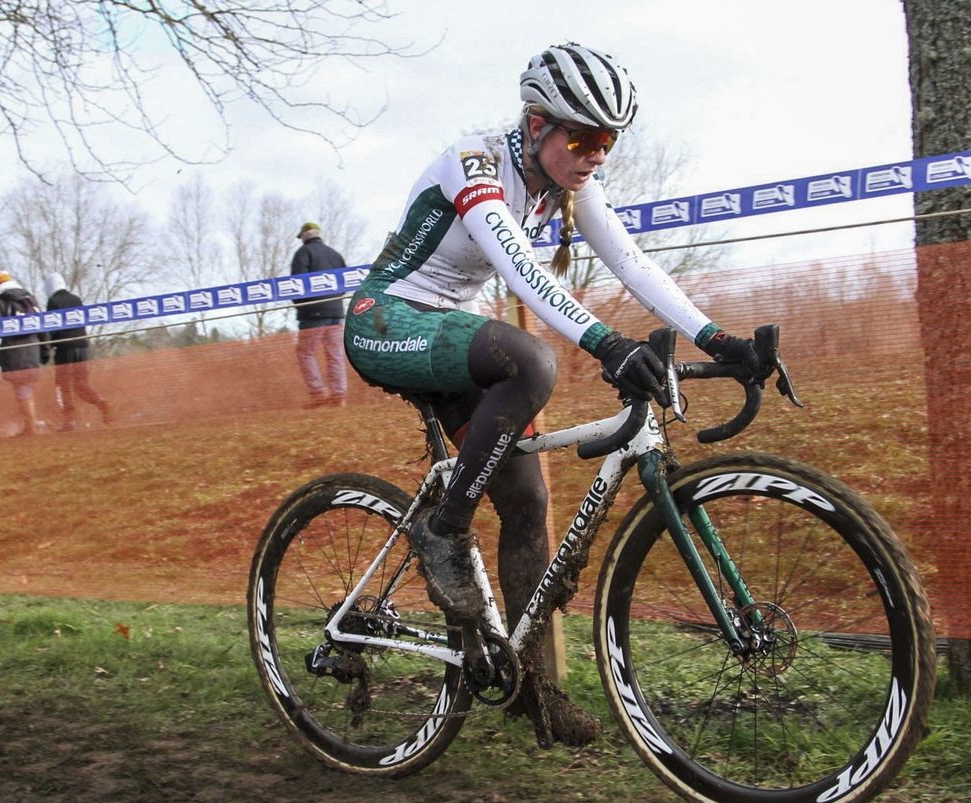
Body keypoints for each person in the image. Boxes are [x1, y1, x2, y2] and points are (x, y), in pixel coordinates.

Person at [343, 43, 763, 748]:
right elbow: (518, 266)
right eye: (583, 137)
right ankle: (442, 534)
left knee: (529, 503)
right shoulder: (474, 163)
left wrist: (717, 339)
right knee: (533, 363)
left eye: (608, 141)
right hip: (385, 319)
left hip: (449, 328)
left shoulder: (564, 181)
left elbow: (629, 259)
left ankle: (531, 694)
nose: (596, 154)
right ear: (536, 124)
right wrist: (606, 344)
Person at [40, 272, 112, 430]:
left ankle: (70, 421)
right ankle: (101, 403)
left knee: (63, 385)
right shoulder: (76, 299)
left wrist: (47, 347)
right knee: (81, 385)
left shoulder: (53, 301)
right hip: (81, 346)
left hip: (64, 348)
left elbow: (53, 326)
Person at [291, 222, 349, 407]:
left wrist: (301, 306)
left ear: (304, 236)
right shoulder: (335, 254)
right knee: (335, 354)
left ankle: (318, 394)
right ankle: (339, 396)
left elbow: (296, 284)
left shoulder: (303, 253)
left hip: (312, 313)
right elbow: (345, 280)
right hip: (336, 312)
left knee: (305, 353)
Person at [0, 270, 44, 436]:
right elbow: (42, 322)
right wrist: (45, 348)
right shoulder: (29, 298)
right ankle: (30, 423)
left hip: (14, 351)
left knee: (21, 387)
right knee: (25, 387)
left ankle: (31, 425)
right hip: (33, 347)